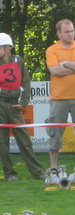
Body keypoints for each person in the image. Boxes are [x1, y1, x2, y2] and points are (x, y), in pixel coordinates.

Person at [45, 19, 75, 175]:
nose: (70, 34)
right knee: (55, 133)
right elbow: (55, 71)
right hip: (58, 98)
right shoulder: (51, 50)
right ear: (59, 33)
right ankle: (53, 168)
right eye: (67, 31)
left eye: (72, 31)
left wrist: (65, 63)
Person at [0, 33, 45, 181]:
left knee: (25, 141)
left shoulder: (18, 61)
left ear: (8, 48)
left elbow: (25, 82)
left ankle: (37, 172)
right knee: (2, 143)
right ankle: (10, 174)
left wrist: (24, 102)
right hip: (0, 105)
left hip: (15, 105)